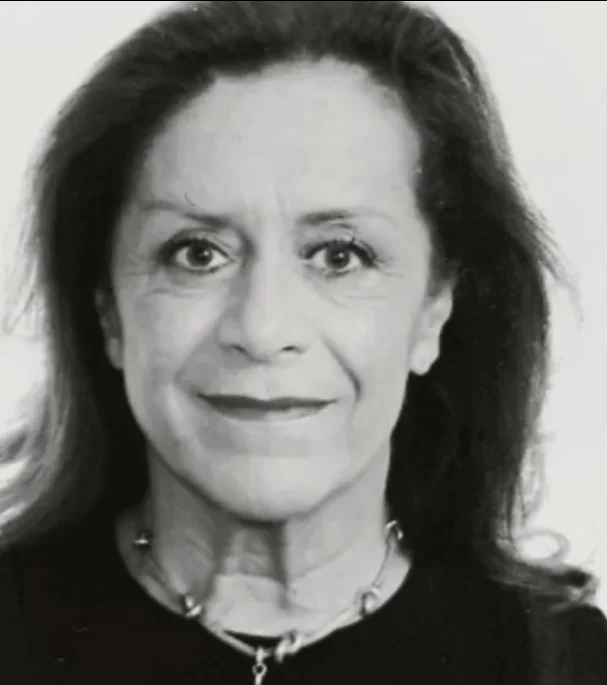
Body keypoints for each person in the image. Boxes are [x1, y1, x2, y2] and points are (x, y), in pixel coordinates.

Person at [0, 2, 605, 683]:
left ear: (433, 310)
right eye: (197, 253)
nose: (263, 330)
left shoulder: (565, 664)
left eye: (340, 255)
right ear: (110, 313)